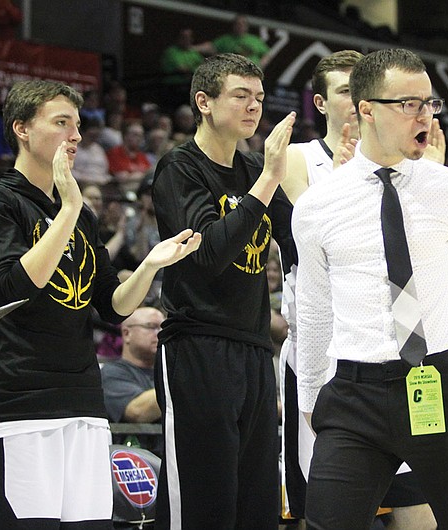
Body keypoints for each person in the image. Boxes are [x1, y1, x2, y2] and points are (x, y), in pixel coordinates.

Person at [0, 79, 201, 530]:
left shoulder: (80, 215)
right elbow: (17, 285)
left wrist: (150, 264)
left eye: (77, 125)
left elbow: (113, 307)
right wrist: (68, 209)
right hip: (20, 410)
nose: (75, 135)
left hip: (85, 408)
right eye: (61, 123)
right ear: (22, 129)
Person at [293, 48, 448, 530]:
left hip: (438, 381)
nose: (424, 116)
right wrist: (311, 395)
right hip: (353, 394)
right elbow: (315, 308)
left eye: (429, 103)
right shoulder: (318, 205)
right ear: (366, 110)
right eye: (409, 104)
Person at [279, 49, 438, 529]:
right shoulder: (297, 158)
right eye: (345, 90)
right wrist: (355, 177)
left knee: (420, 505)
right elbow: (325, 231)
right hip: (325, 349)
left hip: (401, 344)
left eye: (361, 87)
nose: (355, 99)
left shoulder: (414, 168)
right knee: (329, 511)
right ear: (322, 103)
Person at [151, 53, 296, 530]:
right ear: (204, 102)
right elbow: (209, 252)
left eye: (259, 97)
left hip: (256, 348)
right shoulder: (179, 168)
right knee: (205, 501)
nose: (254, 107)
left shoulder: (254, 165)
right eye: (241, 95)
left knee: (256, 503)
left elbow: (298, 240)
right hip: (198, 343)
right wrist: (269, 180)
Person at [101, 306, 163, 423]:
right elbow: (137, 411)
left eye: (163, 328)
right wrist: (181, 385)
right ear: (126, 333)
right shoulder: (112, 373)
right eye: (151, 327)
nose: (160, 334)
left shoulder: (166, 372)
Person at [196, 14, 271, 68]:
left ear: (246, 26)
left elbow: (266, 55)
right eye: (237, 24)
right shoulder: (226, 39)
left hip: (250, 72)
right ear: (234, 25)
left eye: (242, 24)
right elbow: (211, 47)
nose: (240, 26)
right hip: (230, 72)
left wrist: (259, 66)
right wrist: (193, 48)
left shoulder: (255, 40)